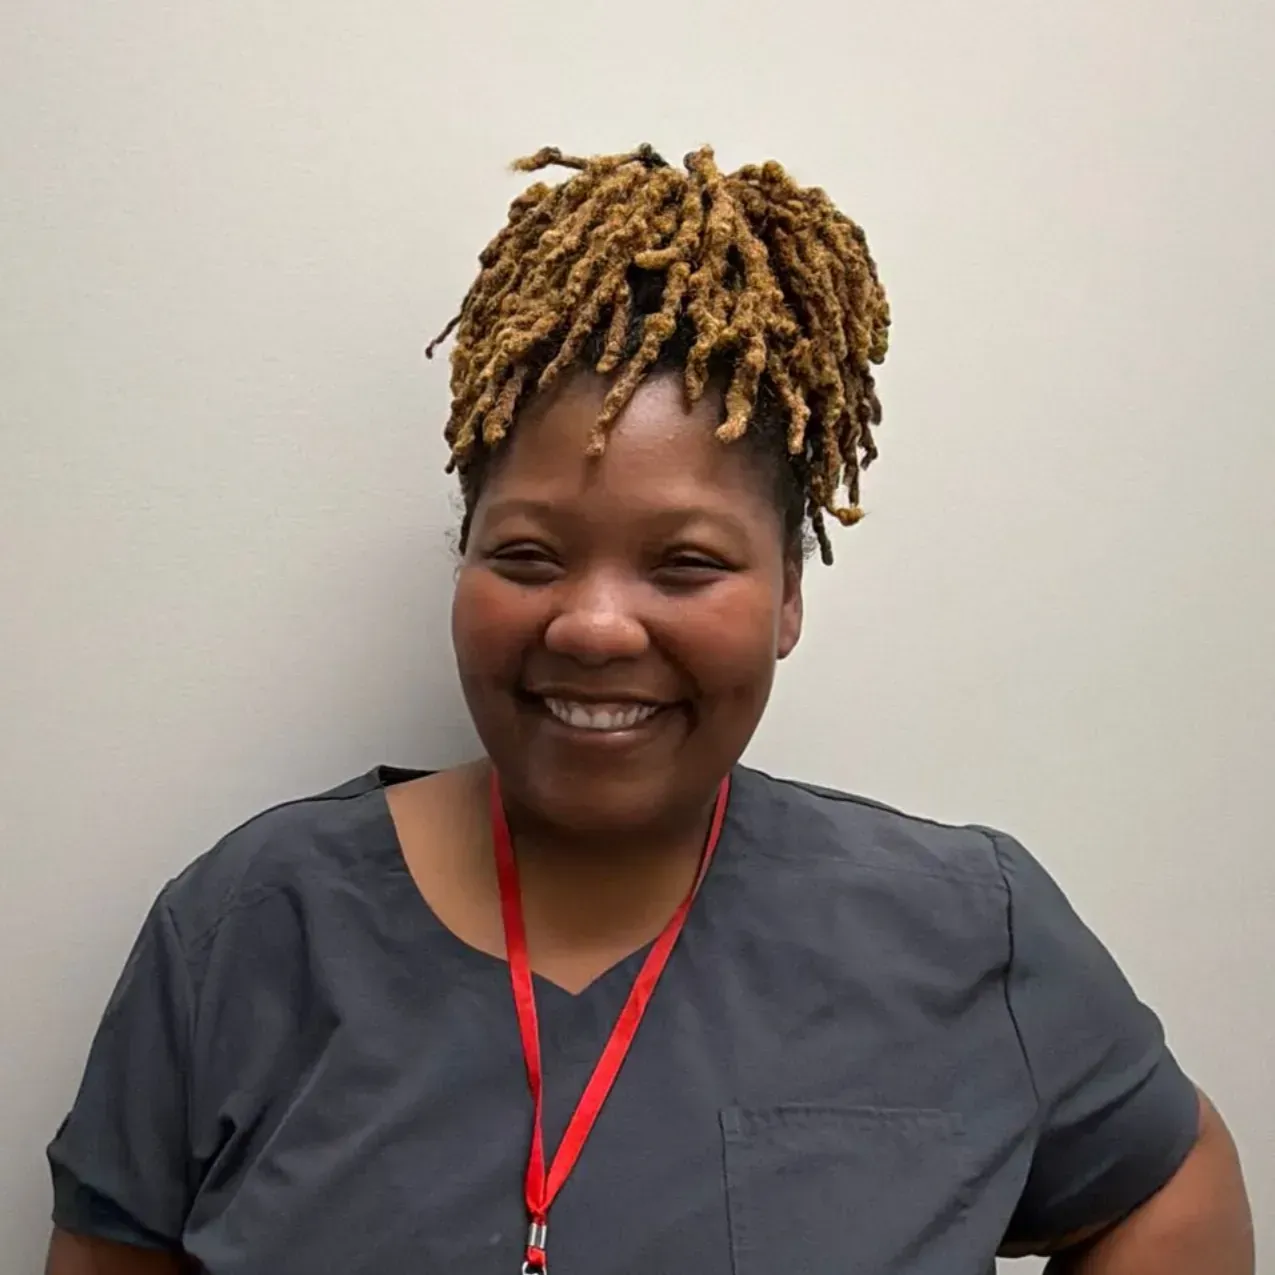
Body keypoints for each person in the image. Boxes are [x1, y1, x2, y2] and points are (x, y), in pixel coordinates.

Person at [46, 145, 1253, 1275]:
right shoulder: (246, 935)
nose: (594, 625)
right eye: (526, 556)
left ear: (789, 593)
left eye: (684, 565)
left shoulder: (963, 931)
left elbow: (1171, 1182)